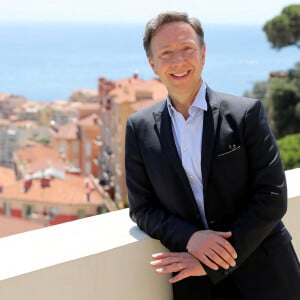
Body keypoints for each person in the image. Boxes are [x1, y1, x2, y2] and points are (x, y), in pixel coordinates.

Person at [125, 11, 300, 300]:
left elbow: (272, 196)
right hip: (194, 283)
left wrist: (214, 261)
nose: (178, 60)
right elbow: (143, 208)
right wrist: (190, 238)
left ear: (203, 54)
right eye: (166, 52)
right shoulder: (138, 128)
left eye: (187, 49)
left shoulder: (246, 114)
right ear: (152, 64)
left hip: (267, 275)